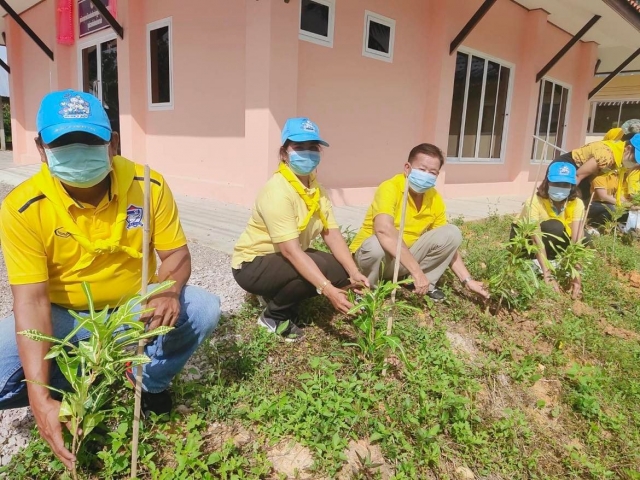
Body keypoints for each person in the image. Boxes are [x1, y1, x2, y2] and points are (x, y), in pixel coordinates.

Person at [0, 90, 221, 469]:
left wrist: (167, 290)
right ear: (41, 148)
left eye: (90, 140)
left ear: (112, 142)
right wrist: (39, 399)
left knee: (202, 308)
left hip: (134, 310)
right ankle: (86, 377)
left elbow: (177, 255)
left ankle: (146, 380)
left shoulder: (147, 184)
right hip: (63, 316)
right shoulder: (23, 207)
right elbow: (31, 302)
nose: (79, 151)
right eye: (63, 143)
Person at [232, 117, 369, 341]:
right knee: (319, 268)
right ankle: (273, 316)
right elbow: (291, 252)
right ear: (284, 153)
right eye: (299, 147)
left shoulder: (315, 189)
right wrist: (328, 290)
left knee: (340, 269)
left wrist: (353, 273)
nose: (307, 153)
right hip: (253, 264)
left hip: (282, 257)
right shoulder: (278, 191)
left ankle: (277, 294)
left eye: (313, 148)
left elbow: (331, 233)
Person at [349, 143, 489, 302]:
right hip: (373, 258)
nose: (426, 175)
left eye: (433, 172)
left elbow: (448, 244)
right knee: (375, 246)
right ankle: (366, 289)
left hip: (403, 258)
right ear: (407, 168)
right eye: (422, 170)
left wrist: (468, 281)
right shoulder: (390, 188)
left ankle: (421, 284)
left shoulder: (434, 198)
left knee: (451, 233)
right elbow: (383, 230)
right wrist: (417, 271)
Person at [513, 162, 585, 298]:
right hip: (525, 239)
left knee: (585, 236)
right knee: (554, 226)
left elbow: (577, 239)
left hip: (551, 239)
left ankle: (552, 261)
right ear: (547, 182)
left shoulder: (577, 203)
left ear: (572, 186)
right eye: (556, 183)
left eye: (565, 185)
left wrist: (576, 273)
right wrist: (548, 274)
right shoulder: (534, 201)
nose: (560, 188)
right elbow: (535, 238)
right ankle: (540, 264)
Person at [548, 133, 640, 200]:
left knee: (582, 199)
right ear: (628, 149)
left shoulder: (617, 155)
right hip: (567, 166)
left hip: (581, 173)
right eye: (635, 159)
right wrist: (567, 197)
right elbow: (578, 176)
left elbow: (593, 175)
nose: (635, 164)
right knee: (561, 197)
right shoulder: (606, 156)